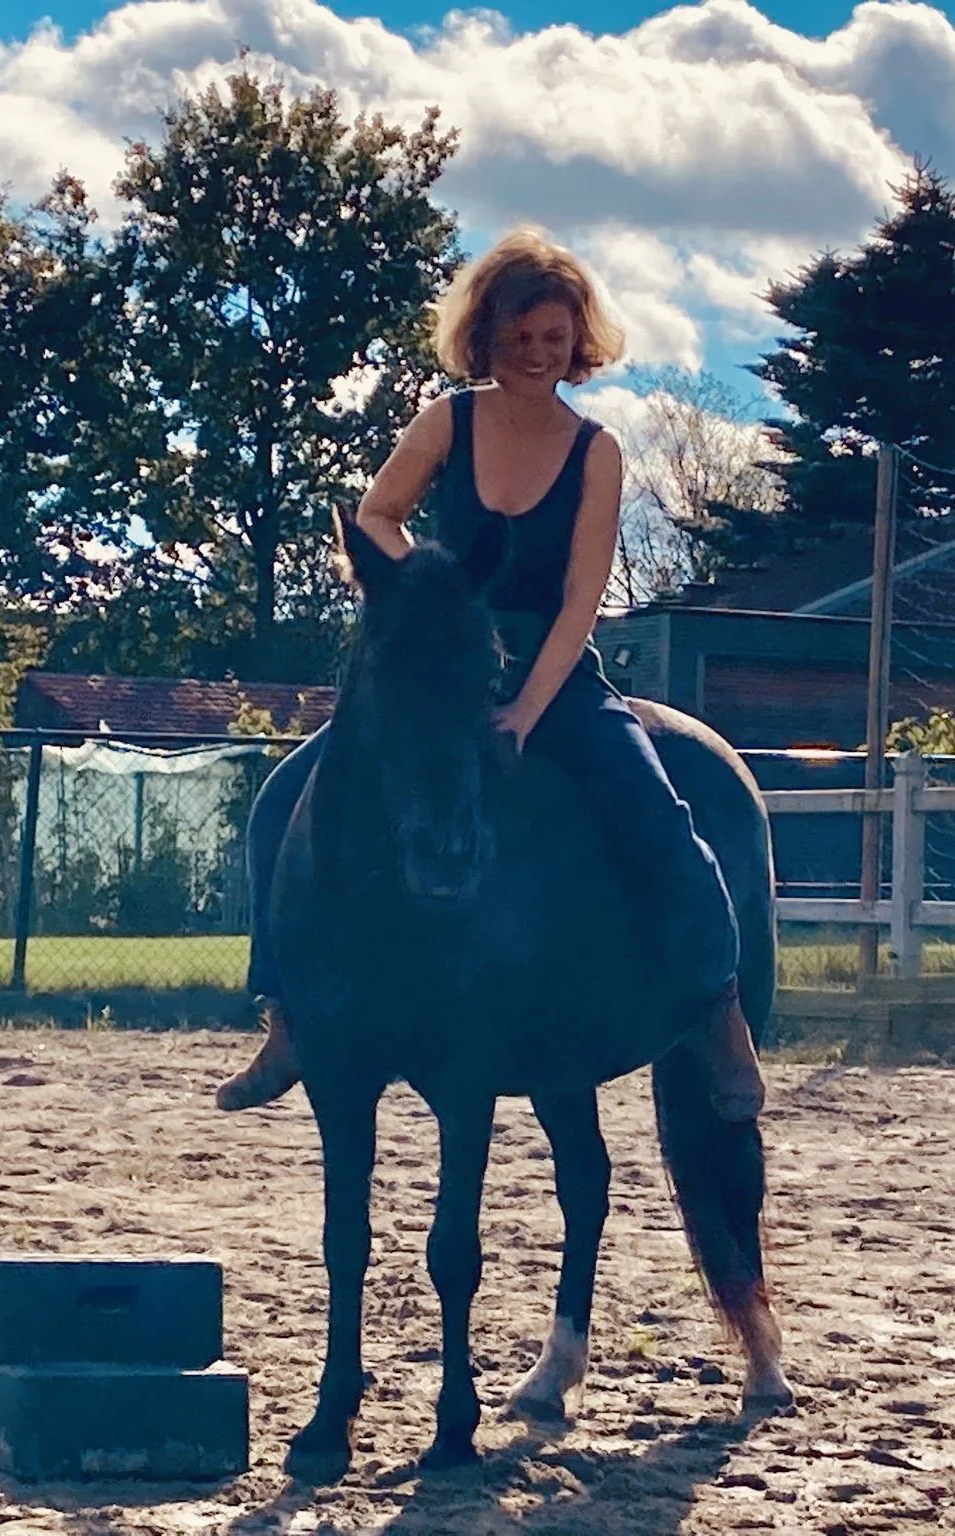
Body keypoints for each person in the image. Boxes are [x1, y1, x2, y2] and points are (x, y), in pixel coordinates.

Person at [214, 226, 765, 1122]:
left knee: (661, 814)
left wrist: (525, 711)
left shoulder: (597, 451)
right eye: (521, 338)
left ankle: (719, 1006)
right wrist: (429, 591)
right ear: (488, 336)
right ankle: (286, 1018)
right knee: (285, 795)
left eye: (556, 339)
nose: (539, 355)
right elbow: (378, 517)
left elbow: (585, 594)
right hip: (440, 664)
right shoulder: (449, 418)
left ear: (577, 342)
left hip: (554, 666)